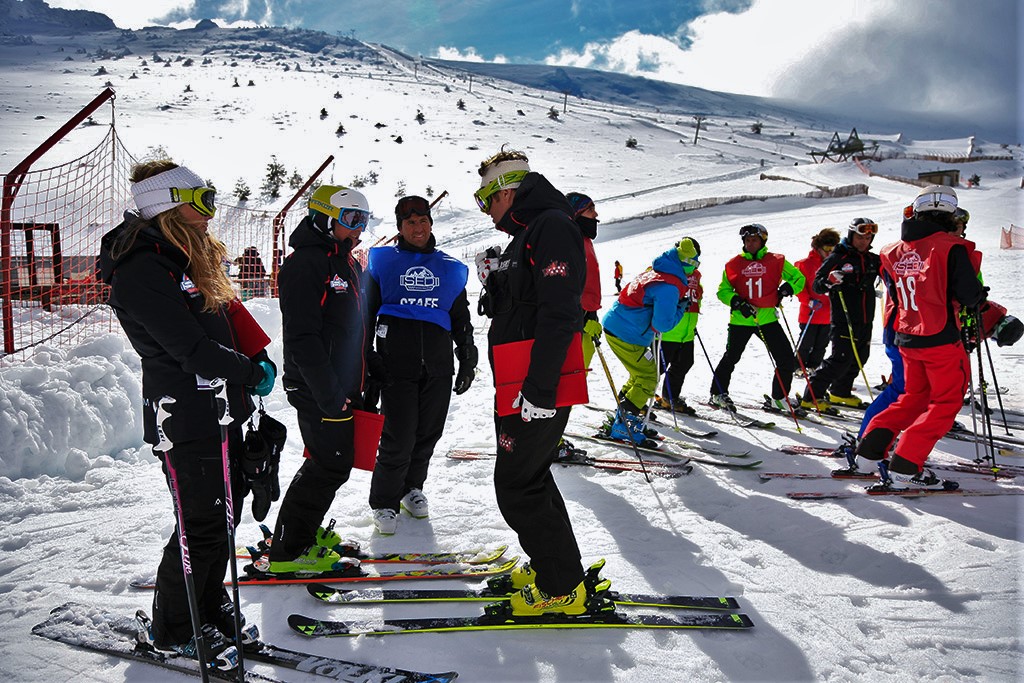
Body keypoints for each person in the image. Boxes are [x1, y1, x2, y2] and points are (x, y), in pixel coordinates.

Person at [99, 160, 275, 670]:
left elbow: (218, 324)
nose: (209, 215)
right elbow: (191, 349)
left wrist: (251, 362)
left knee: (225, 514)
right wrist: (247, 371)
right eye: (201, 203)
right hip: (185, 416)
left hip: (218, 410)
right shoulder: (143, 270)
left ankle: (206, 600)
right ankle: (173, 628)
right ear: (169, 206)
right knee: (200, 523)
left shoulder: (180, 259)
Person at [474, 147, 595, 616]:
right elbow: (524, 301)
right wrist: (498, 280)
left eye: (487, 200)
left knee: (517, 485)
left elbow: (560, 309)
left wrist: (541, 388)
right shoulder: (527, 231)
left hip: (535, 380)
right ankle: (556, 568)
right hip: (517, 375)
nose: (487, 212)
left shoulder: (551, 225)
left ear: (506, 191)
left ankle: (562, 587)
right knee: (530, 476)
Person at [266, 185, 372, 572]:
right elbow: (302, 336)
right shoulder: (306, 264)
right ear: (325, 219)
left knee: (329, 461)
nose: (359, 228)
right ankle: (290, 550)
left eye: (363, 220)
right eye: (351, 219)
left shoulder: (343, 261)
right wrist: (328, 391)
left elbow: (349, 329)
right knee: (328, 465)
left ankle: (301, 534)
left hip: (337, 386)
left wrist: (363, 378)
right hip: (317, 387)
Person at [856, 186, 987, 489]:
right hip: (940, 337)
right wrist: (979, 297)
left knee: (912, 398)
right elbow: (969, 296)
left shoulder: (891, 251)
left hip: (907, 335)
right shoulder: (950, 246)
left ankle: (868, 455)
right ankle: (905, 467)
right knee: (945, 403)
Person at [364, 195, 477, 535]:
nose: (418, 227)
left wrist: (467, 353)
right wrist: (366, 354)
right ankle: (384, 501)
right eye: (410, 222)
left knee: (429, 431)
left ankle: (412, 487)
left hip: (438, 364)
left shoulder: (449, 268)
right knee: (398, 435)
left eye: (423, 220)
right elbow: (365, 313)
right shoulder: (383, 262)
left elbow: (460, 316)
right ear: (400, 227)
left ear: (430, 223)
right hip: (395, 362)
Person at [601, 239, 696, 444]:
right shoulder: (670, 286)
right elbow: (663, 324)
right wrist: (681, 308)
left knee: (640, 374)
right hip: (628, 332)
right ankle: (625, 426)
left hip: (619, 327)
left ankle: (623, 418)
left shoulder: (657, 272)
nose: (694, 270)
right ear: (687, 263)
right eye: (694, 264)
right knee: (649, 377)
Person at [709, 223, 805, 413]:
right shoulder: (733, 263)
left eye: (754, 240)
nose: (750, 244)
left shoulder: (776, 260)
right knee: (732, 357)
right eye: (747, 240)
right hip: (741, 321)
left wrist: (788, 289)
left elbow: (799, 278)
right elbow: (723, 291)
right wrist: (736, 302)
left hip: (768, 319)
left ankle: (779, 398)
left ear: (763, 241)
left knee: (786, 358)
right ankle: (717, 393)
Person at [799, 218, 882, 411]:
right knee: (840, 358)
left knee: (860, 356)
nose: (864, 241)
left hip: (865, 318)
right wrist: (830, 280)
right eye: (860, 237)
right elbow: (817, 284)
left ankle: (840, 392)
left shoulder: (872, 259)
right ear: (852, 235)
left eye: (868, 237)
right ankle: (812, 395)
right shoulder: (839, 256)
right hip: (843, 317)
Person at [654, 239, 703, 416]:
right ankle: (636, 401)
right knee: (654, 369)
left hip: (687, 333)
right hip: (668, 332)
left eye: (695, 258)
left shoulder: (696, 275)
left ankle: (670, 398)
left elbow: (696, 297)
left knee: (684, 364)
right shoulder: (668, 272)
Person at [792, 228, 840, 376]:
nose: (829, 252)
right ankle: (798, 366)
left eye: (833, 248)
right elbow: (798, 288)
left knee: (821, 344)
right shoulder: (804, 264)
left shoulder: (836, 264)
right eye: (826, 248)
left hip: (828, 313)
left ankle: (814, 366)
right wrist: (808, 301)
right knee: (806, 342)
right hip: (811, 312)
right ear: (817, 247)